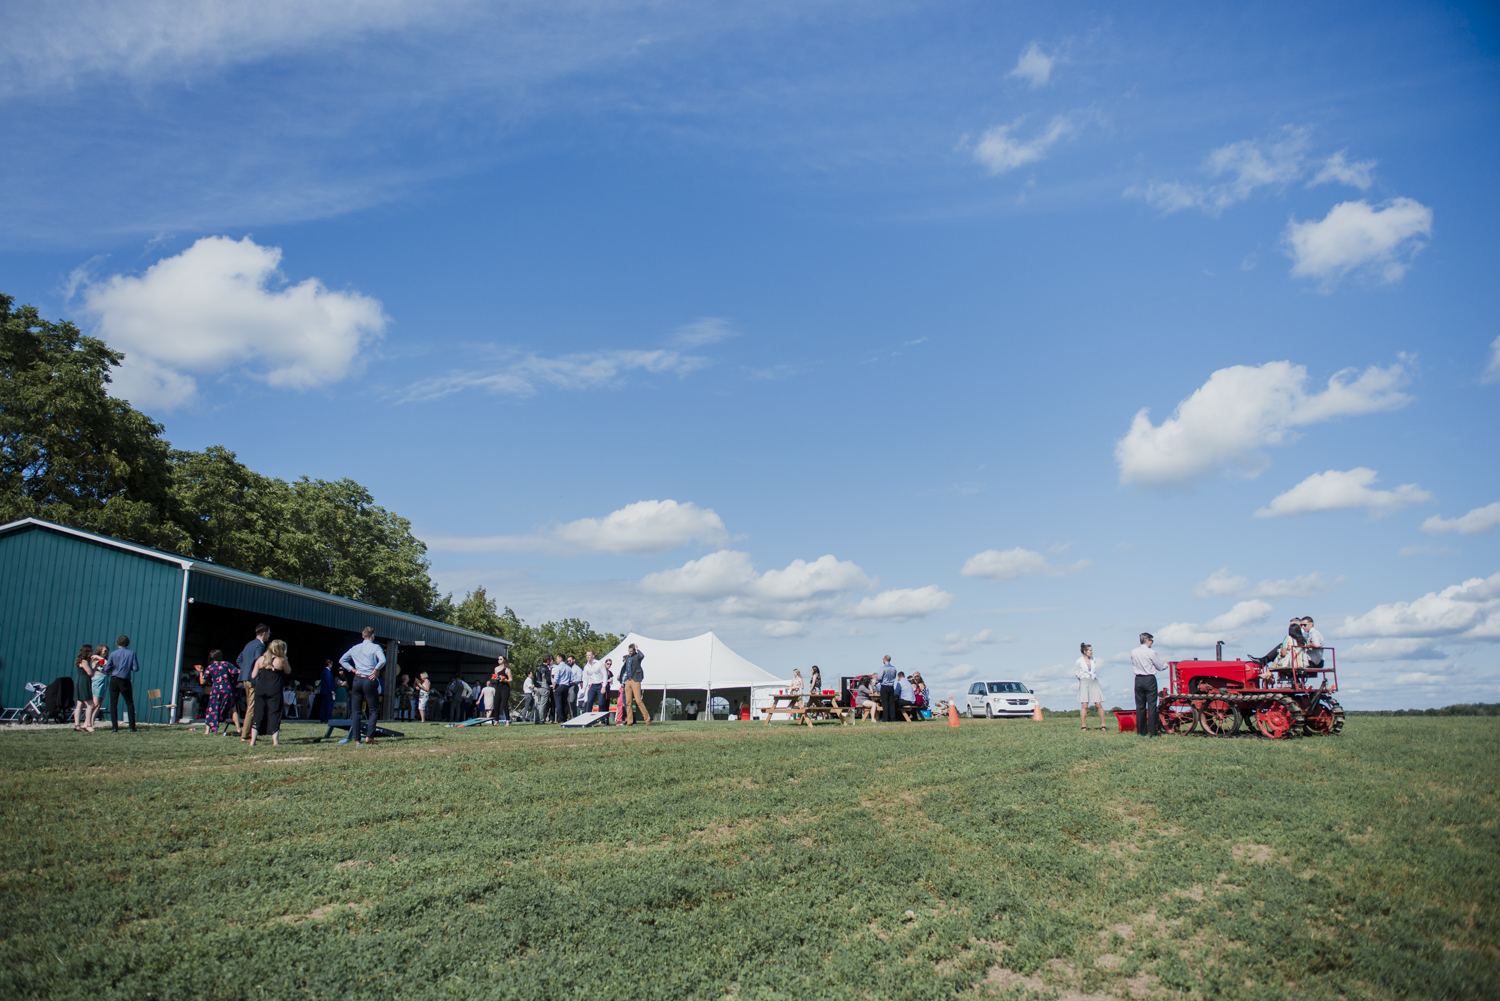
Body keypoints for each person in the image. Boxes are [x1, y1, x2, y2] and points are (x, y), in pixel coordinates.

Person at [339, 626, 386, 747]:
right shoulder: (375, 647)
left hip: (357, 679)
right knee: (374, 709)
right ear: (372, 636)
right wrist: (376, 669)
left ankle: (356, 739)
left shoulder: (355, 648)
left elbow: (342, 660)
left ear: (362, 636)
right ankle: (369, 736)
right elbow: (382, 660)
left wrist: (352, 669)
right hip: (369, 678)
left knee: (356, 710)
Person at [249, 639, 291, 747]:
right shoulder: (281, 660)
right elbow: (288, 671)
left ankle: (252, 741)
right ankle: (275, 741)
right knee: (274, 713)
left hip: (261, 688)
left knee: (258, 713)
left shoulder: (261, 659)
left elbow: (253, 675)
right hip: (274, 689)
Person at [236, 624, 271, 741]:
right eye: (269, 633)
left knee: (250, 705)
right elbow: (259, 659)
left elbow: (239, 659)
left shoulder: (249, 644)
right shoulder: (260, 645)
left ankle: (248, 733)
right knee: (252, 707)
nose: (269, 635)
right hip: (253, 679)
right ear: (264, 633)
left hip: (245, 678)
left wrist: (246, 670)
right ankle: (245, 735)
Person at [196, 650, 241, 736]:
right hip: (227, 689)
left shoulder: (210, 667)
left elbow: (202, 682)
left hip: (216, 690)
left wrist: (200, 672)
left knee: (211, 709)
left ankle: (207, 730)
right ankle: (238, 729)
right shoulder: (227, 664)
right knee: (233, 709)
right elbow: (237, 671)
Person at [1131, 632, 1167, 737]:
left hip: (1138, 679)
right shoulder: (1151, 652)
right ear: (1148, 641)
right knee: (1151, 706)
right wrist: (1166, 664)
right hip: (1149, 679)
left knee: (1140, 706)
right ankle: (1152, 731)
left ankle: (1141, 731)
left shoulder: (1134, 651)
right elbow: (1159, 667)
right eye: (1151, 641)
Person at [106, 635, 139, 732]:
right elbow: (136, 668)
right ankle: (132, 726)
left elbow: (107, 668)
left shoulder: (113, 654)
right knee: (129, 702)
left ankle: (114, 727)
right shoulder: (132, 653)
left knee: (113, 703)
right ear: (128, 643)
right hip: (125, 680)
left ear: (117, 643)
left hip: (114, 679)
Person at [1075, 643, 1107, 732]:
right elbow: (1076, 672)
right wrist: (1081, 678)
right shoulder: (1079, 661)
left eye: (1092, 650)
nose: (1092, 652)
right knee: (1084, 705)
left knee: (1098, 704)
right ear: (1085, 651)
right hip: (1084, 681)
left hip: (1093, 681)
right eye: (1090, 650)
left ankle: (1103, 725)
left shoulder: (1094, 659)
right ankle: (1083, 726)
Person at [621, 643, 650, 725]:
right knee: (628, 702)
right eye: (629, 651)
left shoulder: (637, 656)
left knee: (638, 701)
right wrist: (622, 679)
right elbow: (625, 669)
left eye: (631, 651)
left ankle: (647, 718)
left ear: (634, 650)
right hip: (628, 680)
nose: (630, 652)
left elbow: (642, 656)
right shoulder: (627, 657)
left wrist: (637, 648)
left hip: (635, 680)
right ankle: (629, 721)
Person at [73, 644, 98, 732]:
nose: (92, 652)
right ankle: (88, 725)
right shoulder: (84, 661)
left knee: (80, 704)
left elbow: (91, 672)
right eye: (91, 650)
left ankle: (77, 725)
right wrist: (94, 665)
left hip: (80, 682)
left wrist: (95, 665)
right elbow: (90, 673)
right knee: (90, 705)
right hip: (84, 683)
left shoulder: (83, 661)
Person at [90, 644, 110, 721]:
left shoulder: (106, 659)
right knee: (96, 703)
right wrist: (98, 657)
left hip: (104, 679)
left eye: (107, 651)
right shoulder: (95, 659)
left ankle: (93, 720)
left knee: (99, 703)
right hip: (98, 679)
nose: (106, 652)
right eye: (105, 651)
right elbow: (105, 663)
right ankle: (89, 720)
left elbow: (108, 666)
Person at [876, 655, 898, 723]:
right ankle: (893, 717)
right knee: (891, 702)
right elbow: (894, 676)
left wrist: (878, 680)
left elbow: (879, 677)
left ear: (885, 660)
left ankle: (885, 718)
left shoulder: (883, 668)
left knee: (885, 702)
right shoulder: (894, 668)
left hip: (884, 686)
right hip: (891, 686)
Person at [532, 659, 552, 725]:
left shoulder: (538, 668)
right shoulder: (546, 669)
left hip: (538, 687)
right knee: (543, 705)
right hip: (544, 687)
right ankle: (541, 719)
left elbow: (535, 678)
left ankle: (536, 719)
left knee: (538, 704)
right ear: (548, 661)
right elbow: (548, 680)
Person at [494, 657, 512, 722]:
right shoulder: (496, 668)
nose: (499, 660)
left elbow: (510, 679)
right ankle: (496, 720)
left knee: (504, 704)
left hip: (505, 687)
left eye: (500, 659)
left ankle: (507, 720)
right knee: (496, 704)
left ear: (504, 660)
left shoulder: (507, 669)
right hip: (498, 687)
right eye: (498, 659)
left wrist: (504, 680)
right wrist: (496, 679)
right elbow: (495, 678)